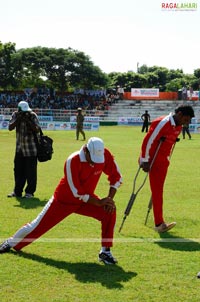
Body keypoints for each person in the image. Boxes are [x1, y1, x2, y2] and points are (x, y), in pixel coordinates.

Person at [0, 137, 123, 264]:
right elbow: (76, 191)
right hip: (63, 201)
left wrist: (108, 199)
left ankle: (105, 252)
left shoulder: (103, 154)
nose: (95, 162)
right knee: (35, 226)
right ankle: (10, 242)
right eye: (92, 158)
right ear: (86, 150)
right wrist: (98, 202)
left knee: (109, 211)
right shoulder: (72, 160)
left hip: (86, 201)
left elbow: (116, 176)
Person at [139, 105, 194, 233]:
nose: (187, 123)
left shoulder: (179, 127)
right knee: (157, 191)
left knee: (158, 191)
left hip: (163, 162)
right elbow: (148, 140)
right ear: (179, 114)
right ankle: (159, 223)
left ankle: (159, 221)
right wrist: (144, 160)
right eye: (186, 119)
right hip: (152, 162)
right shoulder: (162, 123)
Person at [7, 101, 40, 198]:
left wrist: (27, 120)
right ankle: (17, 192)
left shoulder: (32, 115)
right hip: (19, 149)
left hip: (31, 149)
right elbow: (10, 127)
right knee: (18, 171)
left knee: (31, 173)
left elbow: (37, 129)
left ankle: (29, 192)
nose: (25, 113)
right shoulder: (15, 115)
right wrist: (19, 119)